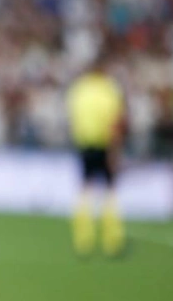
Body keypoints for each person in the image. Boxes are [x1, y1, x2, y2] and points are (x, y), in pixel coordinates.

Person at [66, 53, 126, 257]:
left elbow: (73, 118)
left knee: (85, 189)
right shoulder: (109, 89)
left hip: (84, 144)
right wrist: (114, 150)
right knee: (110, 191)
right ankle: (112, 241)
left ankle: (83, 240)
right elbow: (116, 122)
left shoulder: (79, 89)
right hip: (105, 144)